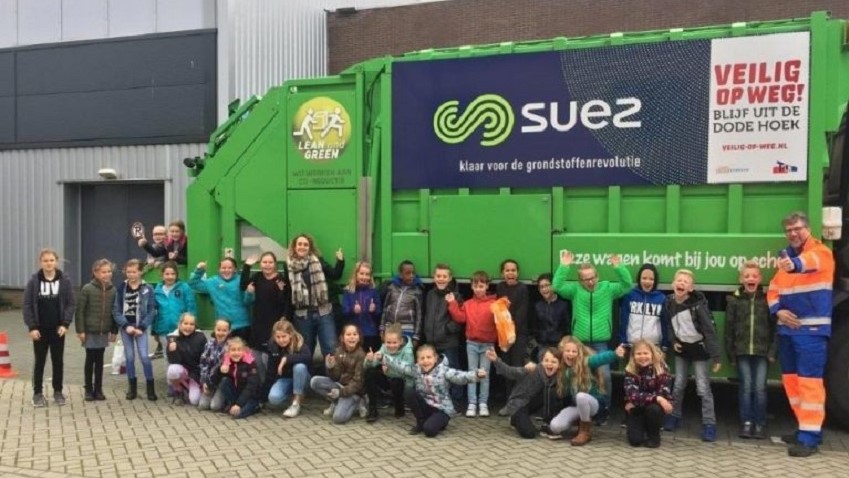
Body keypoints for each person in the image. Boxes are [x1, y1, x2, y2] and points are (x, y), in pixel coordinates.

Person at [767, 211, 834, 457]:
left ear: (807, 229)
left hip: (812, 332)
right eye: (789, 230)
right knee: (792, 383)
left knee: (810, 386)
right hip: (788, 331)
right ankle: (804, 428)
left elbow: (808, 263)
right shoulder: (787, 258)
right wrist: (778, 311)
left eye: (797, 228)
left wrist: (793, 264)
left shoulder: (821, 252)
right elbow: (773, 289)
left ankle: (809, 439)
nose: (793, 233)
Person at [552, 251, 631, 425]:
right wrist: (564, 266)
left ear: (597, 275)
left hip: (600, 342)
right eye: (586, 279)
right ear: (580, 280)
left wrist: (619, 267)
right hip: (579, 342)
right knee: (574, 375)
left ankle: (604, 411)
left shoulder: (607, 288)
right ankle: (575, 409)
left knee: (605, 376)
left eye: (592, 277)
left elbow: (627, 285)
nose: (590, 281)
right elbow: (556, 286)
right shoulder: (575, 290)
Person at [663, 269, 721, 442]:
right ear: (673, 284)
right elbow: (670, 326)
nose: (681, 283)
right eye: (679, 281)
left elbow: (709, 330)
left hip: (700, 351)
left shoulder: (697, 306)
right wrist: (673, 341)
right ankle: (674, 415)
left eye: (685, 282)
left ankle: (709, 424)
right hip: (683, 350)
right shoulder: (669, 303)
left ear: (691, 288)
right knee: (678, 384)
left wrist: (716, 356)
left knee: (703, 388)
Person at [381, 343, 487, 438]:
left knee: (429, 431)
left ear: (435, 358)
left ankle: (439, 422)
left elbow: (461, 376)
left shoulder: (444, 370)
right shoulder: (416, 369)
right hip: (426, 407)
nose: (426, 361)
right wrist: (383, 357)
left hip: (442, 409)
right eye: (422, 358)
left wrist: (476, 374)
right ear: (417, 360)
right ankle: (420, 422)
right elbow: (401, 366)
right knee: (409, 391)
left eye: (429, 357)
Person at [544, 337, 625, 446]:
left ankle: (584, 432)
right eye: (567, 351)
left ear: (579, 353)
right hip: (576, 406)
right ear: (562, 353)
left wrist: (614, 354)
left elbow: (600, 358)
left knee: (581, 396)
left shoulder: (586, 362)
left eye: (574, 351)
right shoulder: (562, 370)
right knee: (555, 427)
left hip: (594, 405)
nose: (571, 354)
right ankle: (578, 421)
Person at [726, 260, 775, 439]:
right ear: (741, 279)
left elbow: (774, 328)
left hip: (762, 353)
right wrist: (731, 353)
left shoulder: (767, 300)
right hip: (742, 351)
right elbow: (729, 329)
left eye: (754, 276)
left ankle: (760, 423)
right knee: (746, 387)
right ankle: (746, 422)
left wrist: (772, 351)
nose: (750, 279)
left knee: (760, 388)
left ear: (760, 278)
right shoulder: (734, 300)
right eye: (747, 276)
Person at [23, 248, 76, 407]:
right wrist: (32, 327)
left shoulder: (64, 281)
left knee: (58, 361)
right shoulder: (34, 281)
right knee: (39, 361)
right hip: (39, 330)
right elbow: (27, 305)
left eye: (51, 260)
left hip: (57, 329)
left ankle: (58, 392)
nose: (48, 263)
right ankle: (37, 394)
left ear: (56, 262)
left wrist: (65, 324)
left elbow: (70, 304)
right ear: (41, 262)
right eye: (45, 260)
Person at [287, 234, 345, 363]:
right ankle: (305, 380)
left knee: (330, 348)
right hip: (302, 315)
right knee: (305, 350)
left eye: (305, 244)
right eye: (300, 244)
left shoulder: (317, 260)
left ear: (310, 247)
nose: (302, 247)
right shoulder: (289, 265)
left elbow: (335, 274)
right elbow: (288, 291)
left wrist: (340, 261)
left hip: (323, 312)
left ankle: (331, 380)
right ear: (294, 247)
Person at [447, 270, 497, 418]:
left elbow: (501, 321)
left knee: (485, 375)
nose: (478, 288)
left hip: (488, 344)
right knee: (471, 373)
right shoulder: (468, 304)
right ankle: (471, 404)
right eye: (476, 286)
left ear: (487, 286)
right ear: (472, 287)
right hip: (472, 343)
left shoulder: (494, 304)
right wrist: (452, 303)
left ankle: (483, 404)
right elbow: (460, 318)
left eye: (481, 285)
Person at [486, 346, 564, 439]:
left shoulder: (559, 376)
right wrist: (496, 360)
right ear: (541, 361)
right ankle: (514, 419)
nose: (549, 364)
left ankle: (547, 425)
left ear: (559, 364)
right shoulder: (532, 369)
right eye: (546, 360)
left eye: (553, 362)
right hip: (518, 403)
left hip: (533, 402)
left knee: (552, 392)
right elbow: (510, 372)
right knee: (529, 433)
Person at [241, 252, 291, 380]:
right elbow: (243, 285)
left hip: (275, 321)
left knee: (270, 355)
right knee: (257, 356)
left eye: (270, 262)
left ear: (275, 264)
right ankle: (262, 383)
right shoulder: (257, 277)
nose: (267, 265)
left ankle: (273, 380)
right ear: (260, 264)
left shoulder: (280, 279)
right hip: (259, 320)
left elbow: (286, 300)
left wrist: (284, 316)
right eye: (264, 262)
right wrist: (247, 266)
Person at [113, 259, 158, 401]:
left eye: (134, 272)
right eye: (128, 272)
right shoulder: (121, 288)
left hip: (140, 328)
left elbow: (152, 310)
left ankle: (150, 388)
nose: (131, 275)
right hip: (127, 327)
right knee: (130, 357)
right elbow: (116, 310)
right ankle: (132, 388)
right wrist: (126, 326)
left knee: (144, 357)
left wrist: (142, 327)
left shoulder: (148, 288)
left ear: (140, 272)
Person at [421, 263, 464, 408]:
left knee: (453, 372)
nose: (441, 279)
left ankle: (457, 402)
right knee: (434, 375)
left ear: (450, 278)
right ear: (434, 277)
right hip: (432, 342)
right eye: (438, 276)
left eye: (444, 276)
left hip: (448, 342)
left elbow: (459, 320)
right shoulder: (430, 295)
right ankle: (437, 400)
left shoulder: (455, 296)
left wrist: (446, 330)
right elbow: (426, 315)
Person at [75, 259, 116, 402]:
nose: (107, 274)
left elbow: (114, 312)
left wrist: (114, 330)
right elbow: (80, 311)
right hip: (90, 331)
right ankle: (88, 389)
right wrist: (80, 330)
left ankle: (98, 389)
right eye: (103, 272)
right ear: (95, 273)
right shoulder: (87, 288)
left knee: (100, 361)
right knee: (90, 359)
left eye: (109, 271)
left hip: (103, 331)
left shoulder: (113, 290)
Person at [309, 324, 366, 424]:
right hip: (339, 386)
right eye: (348, 334)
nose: (352, 337)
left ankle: (358, 402)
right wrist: (330, 367)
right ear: (342, 338)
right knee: (314, 381)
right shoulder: (339, 350)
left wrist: (340, 393)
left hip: (353, 392)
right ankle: (336, 402)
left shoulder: (361, 355)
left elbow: (357, 383)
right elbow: (335, 377)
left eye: (355, 334)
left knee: (338, 419)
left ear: (359, 337)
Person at [623, 340, 673, 448]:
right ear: (633, 355)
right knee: (635, 441)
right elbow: (632, 394)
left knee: (654, 409)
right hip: (637, 408)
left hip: (653, 408)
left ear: (652, 354)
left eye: (646, 353)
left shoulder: (662, 368)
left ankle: (654, 436)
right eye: (639, 354)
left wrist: (658, 399)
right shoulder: (630, 369)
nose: (642, 357)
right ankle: (640, 428)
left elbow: (663, 392)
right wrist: (657, 398)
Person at [189, 258, 252, 341]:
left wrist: (250, 293)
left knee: (242, 352)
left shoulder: (241, 280)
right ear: (219, 269)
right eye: (223, 268)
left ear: (235, 269)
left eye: (230, 268)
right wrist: (199, 270)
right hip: (223, 327)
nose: (226, 270)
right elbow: (193, 284)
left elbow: (249, 301)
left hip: (242, 325)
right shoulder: (213, 282)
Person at [153, 262, 197, 375]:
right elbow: (154, 312)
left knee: (184, 355)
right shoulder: (157, 290)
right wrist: (154, 330)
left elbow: (191, 306)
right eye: (167, 274)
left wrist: (191, 325)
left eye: (173, 274)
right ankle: (172, 385)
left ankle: (186, 382)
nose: (170, 276)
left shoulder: (184, 287)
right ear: (162, 275)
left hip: (182, 329)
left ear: (176, 275)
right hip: (163, 329)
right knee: (168, 356)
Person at [363, 323, 414, 422]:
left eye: (394, 342)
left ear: (401, 341)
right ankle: (372, 409)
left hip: (403, 383)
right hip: (387, 378)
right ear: (384, 341)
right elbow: (369, 366)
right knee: (370, 372)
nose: (391, 345)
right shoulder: (383, 348)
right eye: (388, 342)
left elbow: (410, 372)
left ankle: (399, 406)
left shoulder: (408, 351)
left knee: (396, 381)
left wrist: (389, 366)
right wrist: (369, 360)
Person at [265, 319, 312, 418]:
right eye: (278, 337)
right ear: (274, 336)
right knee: (273, 398)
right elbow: (271, 369)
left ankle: (296, 402)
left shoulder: (299, 341)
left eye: (284, 336)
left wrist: (286, 359)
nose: (281, 340)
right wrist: (262, 396)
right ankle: (293, 393)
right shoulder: (272, 345)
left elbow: (307, 356)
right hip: (285, 379)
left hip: (303, 378)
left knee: (299, 367)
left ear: (290, 334)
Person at [619, 263, 668, 349]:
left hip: (653, 346)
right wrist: (622, 342)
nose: (647, 281)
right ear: (639, 279)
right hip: (632, 345)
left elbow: (665, 324)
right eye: (644, 278)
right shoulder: (630, 295)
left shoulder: (661, 298)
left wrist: (664, 346)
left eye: (651, 279)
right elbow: (623, 320)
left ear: (655, 281)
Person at [496, 259, 530, 383]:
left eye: (513, 270)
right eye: (507, 270)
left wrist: (511, 331)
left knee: (517, 366)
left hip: (518, 333)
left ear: (518, 273)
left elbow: (522, 313)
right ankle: (508, 396)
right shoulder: (500, 287)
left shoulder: (523, 288)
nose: (510, 273)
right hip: (504, 334)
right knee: (505, 366)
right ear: (502, 273)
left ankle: (518, 397)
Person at [165, 313, 207, 406]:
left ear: (195, 326)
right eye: (185, 323)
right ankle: (178, 391)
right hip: (182, 370)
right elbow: (172, 361)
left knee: (194, 401)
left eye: (191, 324)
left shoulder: (200, 337)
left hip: (195, 373)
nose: (188, 327)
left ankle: (189, 388)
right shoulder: (172, 338)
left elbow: (204, 359)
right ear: (180, 324)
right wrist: (172, 351)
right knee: (172, 370)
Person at [213, 337, 261, 419]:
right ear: (228, 352)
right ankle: (233, 404)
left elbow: (251, 386)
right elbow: (215, 381)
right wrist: (219, 370)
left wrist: (239, 404)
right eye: (233, 350)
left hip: (250, 396)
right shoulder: (226, 361)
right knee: (224, 381)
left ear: (244, 351)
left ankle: (255, 407)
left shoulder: (250, 363)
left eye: (239, 350)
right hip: (237, 394)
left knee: (238, 414)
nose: (236, 353)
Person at [341, 261, 382, 352]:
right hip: (354, 333)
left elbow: (379, 311)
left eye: (367, 274)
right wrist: (353, 310)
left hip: (370, 332)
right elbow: (344, 310)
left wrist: (374, 309)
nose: (364, 277)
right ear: (356, 274)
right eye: (362, 274)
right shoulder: (349, 291)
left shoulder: (373, 291)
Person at [380, 260, 423, 344]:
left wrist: (416, 336)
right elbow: (385, 309)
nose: (411, 276)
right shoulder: (392, 287)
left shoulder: (417, 291)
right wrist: (382, 328)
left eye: (413, 273)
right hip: (390, 327)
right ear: (400, 274)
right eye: (408, 273)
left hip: (407, 330)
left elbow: (419, 315)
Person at [531, 273, 571, 361]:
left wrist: (563, 342)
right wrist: (538, 340)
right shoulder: (537, 305)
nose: (544, 289)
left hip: (559, 346)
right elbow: (534, 326)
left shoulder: (564, 304)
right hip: (542, 346)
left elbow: (567, 326)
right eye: (541, 287)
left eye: (547, 285)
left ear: (553, 286)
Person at [198, 319, 231, 411]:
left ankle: (224, 398)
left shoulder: (231, 345)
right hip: (210, 380)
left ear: (229, 331)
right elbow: (203, 364)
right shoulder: (209, 343)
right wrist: (204, 382)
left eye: (224, 330)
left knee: (215, 407)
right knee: (203, 406)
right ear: (214, 330)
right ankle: (212, 393)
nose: (221, 333)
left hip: (222, 381)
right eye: (218, 330)